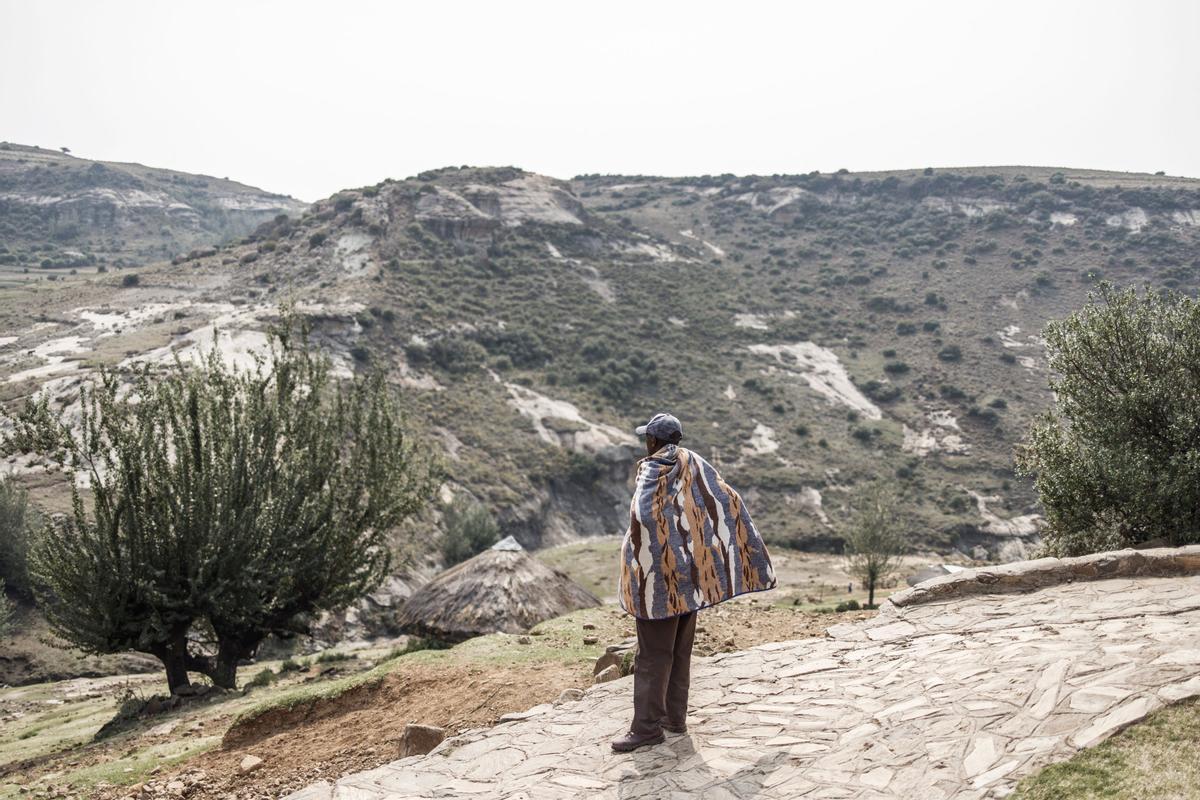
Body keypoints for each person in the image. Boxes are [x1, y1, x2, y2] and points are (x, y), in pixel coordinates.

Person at [610, 412, 777, 753]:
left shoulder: (653, 469)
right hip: (690, 576)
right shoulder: (694, 462)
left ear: (653, 441)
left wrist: (644, 545)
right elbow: (726, 497)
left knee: (652, 654)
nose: (646, 442)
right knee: (679, 650)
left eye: (648, 438)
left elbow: (642, 514)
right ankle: (674, 718)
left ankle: (646, 729)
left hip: (659, 581)